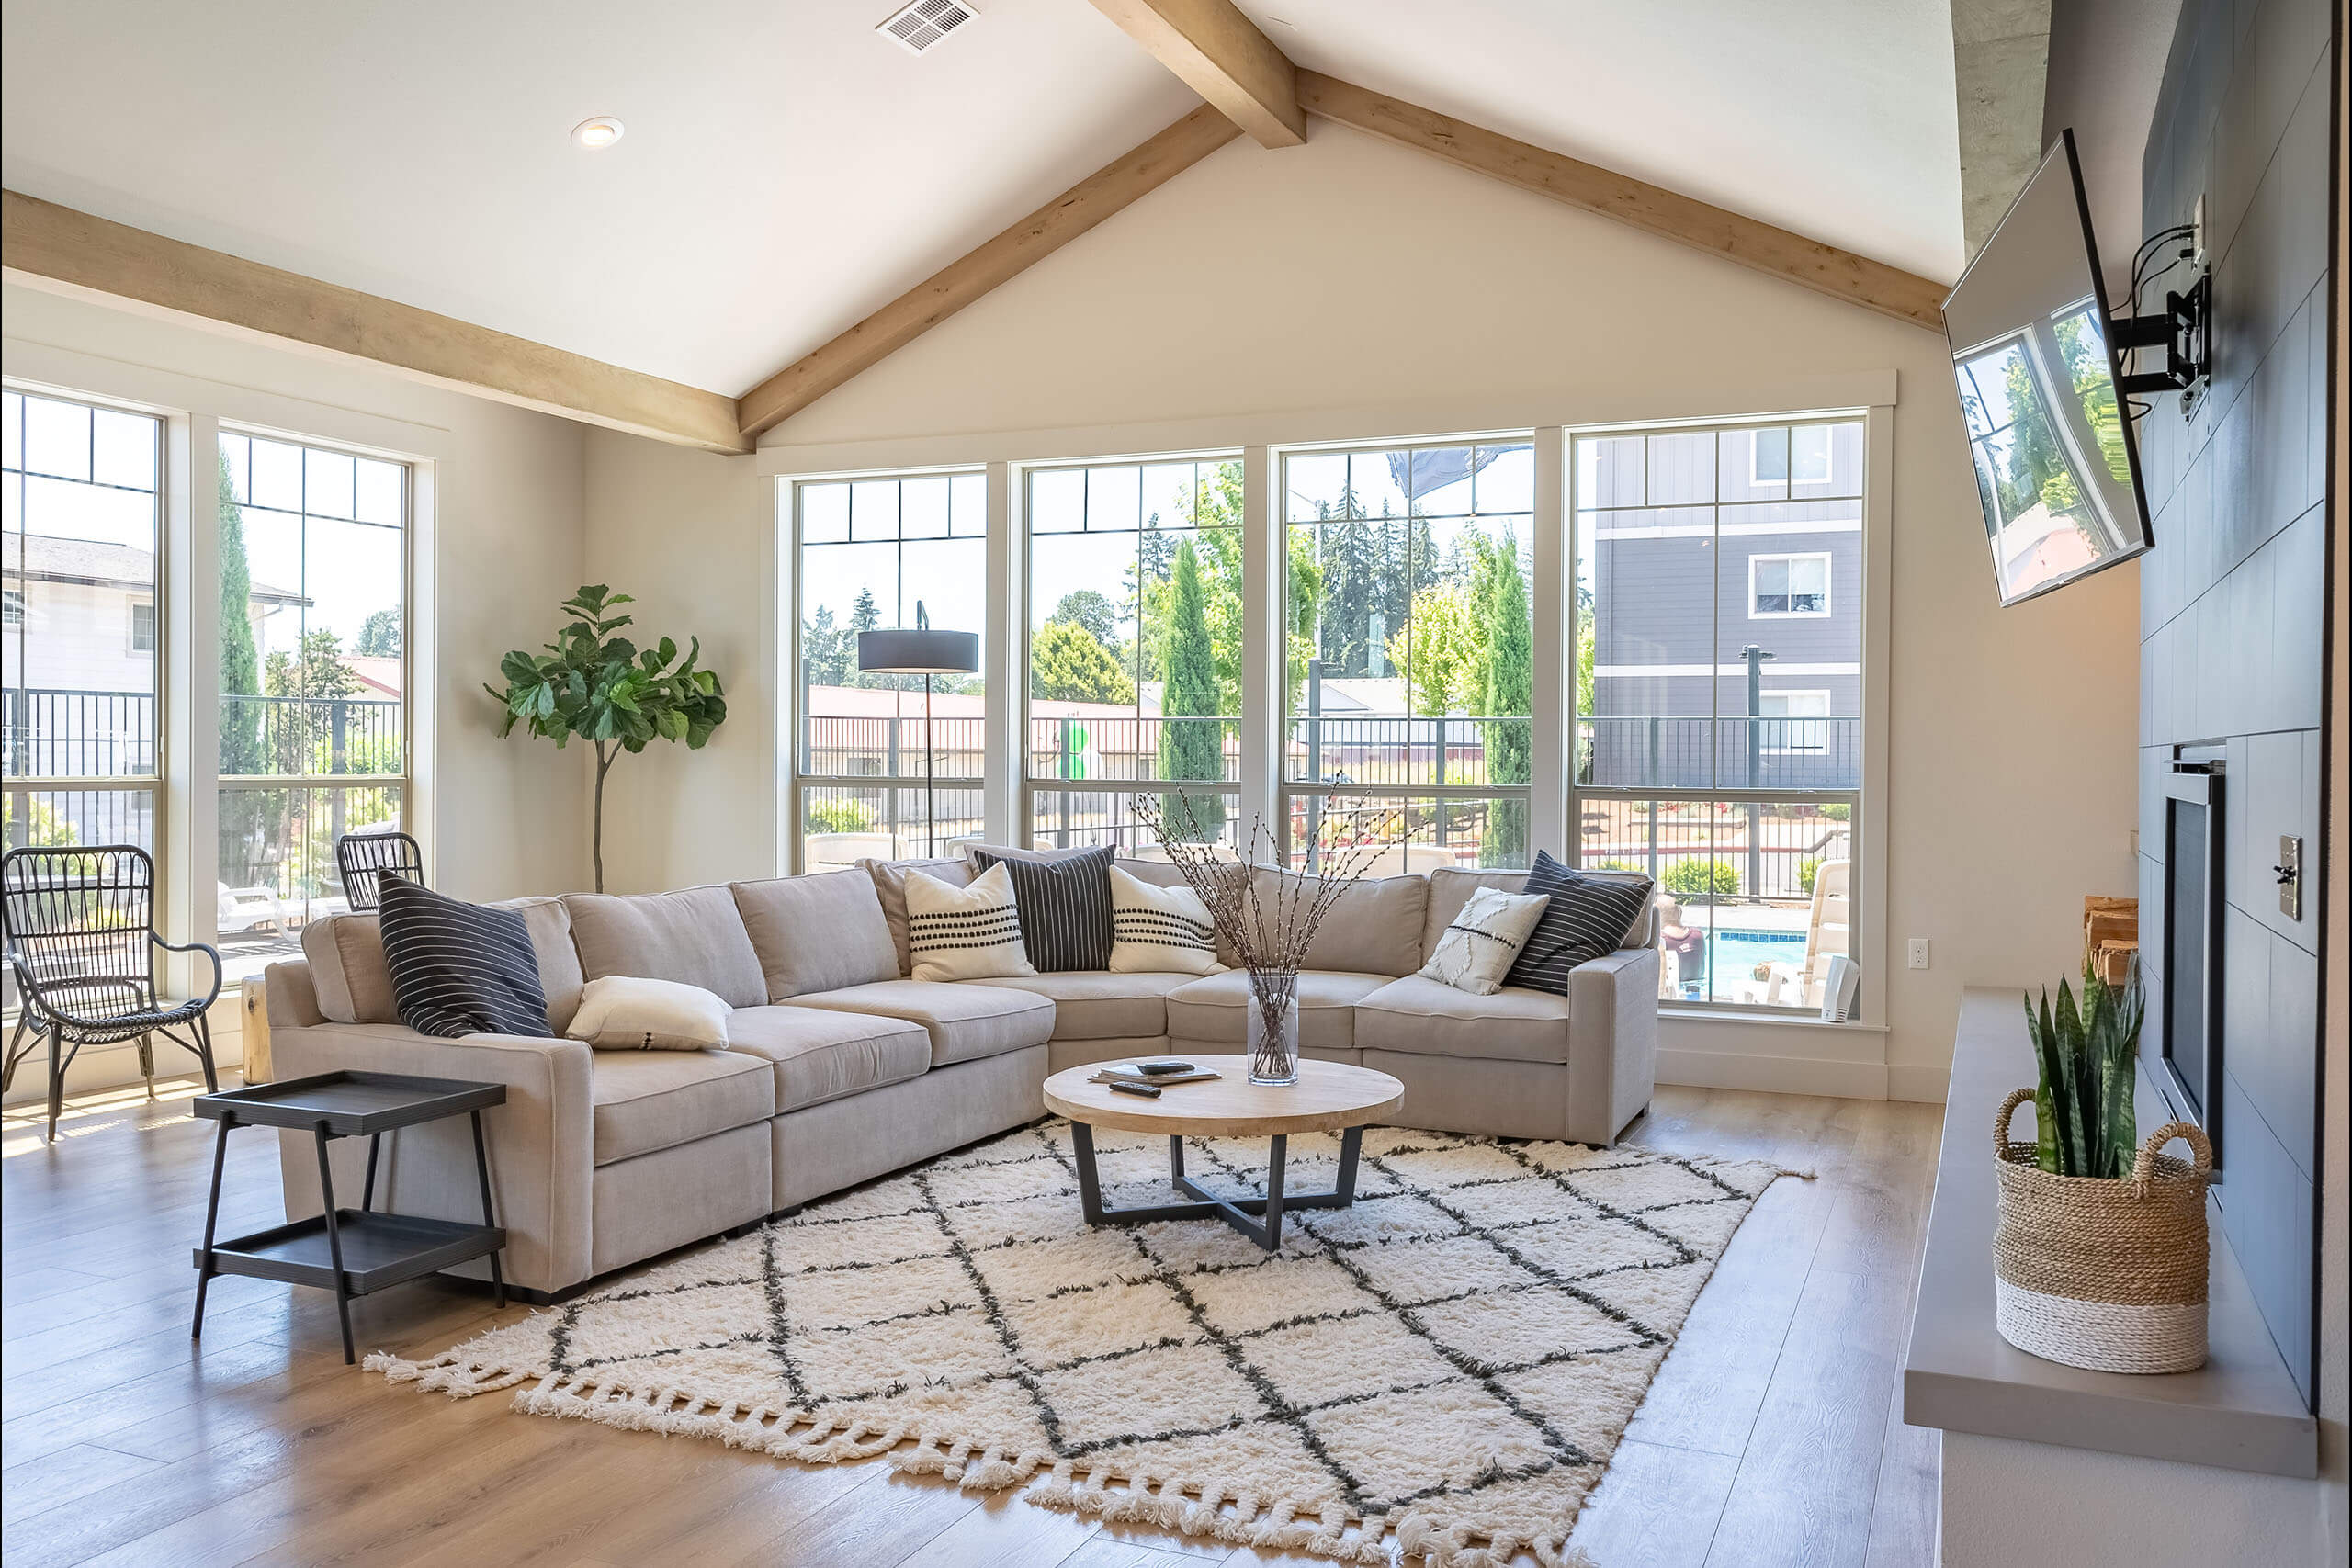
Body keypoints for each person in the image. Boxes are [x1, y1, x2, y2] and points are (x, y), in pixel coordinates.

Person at [1658, 897, 1708, 1000]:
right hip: (1697, 992)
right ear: (1679, 912)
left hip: (1671, 994)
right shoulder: (1697, 936)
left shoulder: (1660, 939)